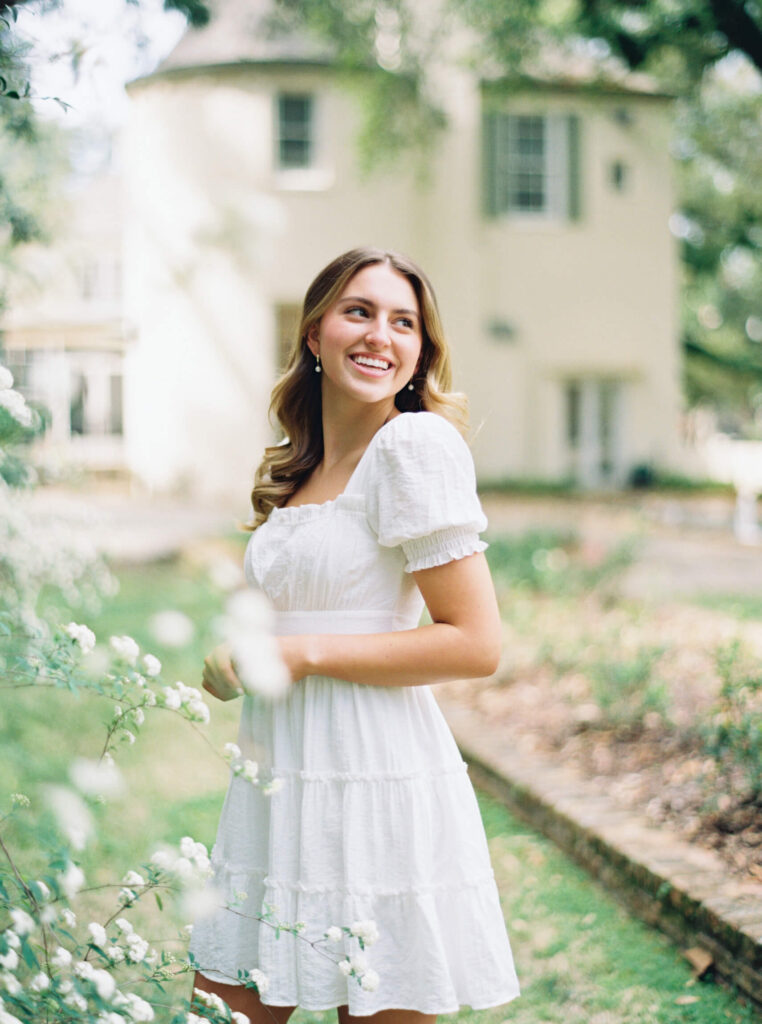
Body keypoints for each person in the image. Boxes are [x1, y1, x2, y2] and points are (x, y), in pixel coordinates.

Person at [191, 247, 520, 1023]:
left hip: (375, 782)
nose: (381, 335)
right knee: (218, 1011)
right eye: (359, 312)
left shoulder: (412, 448)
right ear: (314, 334)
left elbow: (475, 643)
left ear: (420, 353)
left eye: (404, 322)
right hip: (278, 786)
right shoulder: (298, 470)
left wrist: (297, 654)